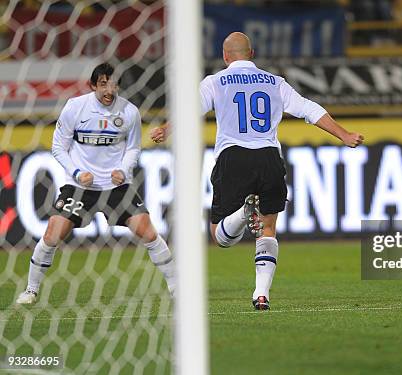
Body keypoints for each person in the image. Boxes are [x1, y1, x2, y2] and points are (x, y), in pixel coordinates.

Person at [150, 32, 364, 310]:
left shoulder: (214, 81)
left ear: (225, 57)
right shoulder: (275, 82)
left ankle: (242, 213)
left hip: (233, 157)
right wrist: (344, 135)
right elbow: (308, 109)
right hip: (268, 157)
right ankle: (261, 293)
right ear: (251, 54)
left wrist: (166, 129)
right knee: (268, 228)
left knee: (220, 237)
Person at [16, 63, 176, 304]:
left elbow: (133, 148)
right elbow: (58, 147)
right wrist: (78, 172)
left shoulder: (129, 112)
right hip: (80, 186)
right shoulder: (75, 108)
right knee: (52, 234)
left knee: (148, 231)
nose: (109, 89)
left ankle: (176, 288)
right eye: (103, 84)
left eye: (113, 84)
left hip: (117, 186)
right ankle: (31, 289)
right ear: (92, 85)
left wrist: (123, 169)